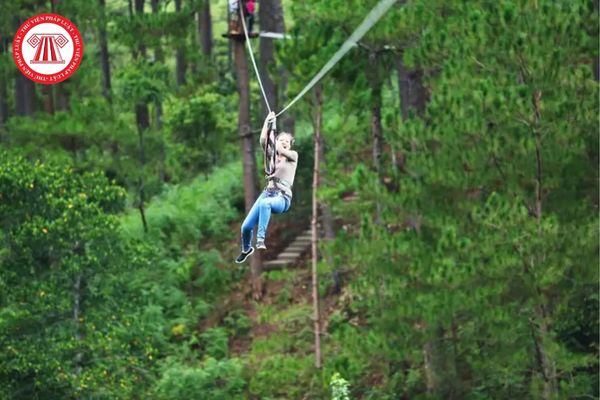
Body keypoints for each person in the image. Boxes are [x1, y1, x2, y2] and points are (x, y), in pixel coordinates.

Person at [236, 111, 298, 263]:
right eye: (281, 140)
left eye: (287, 142)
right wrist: (267, 122)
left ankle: (260, 239)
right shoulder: (272, 158)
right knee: (245, 227)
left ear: (290, 145)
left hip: (282, 198)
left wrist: (277, 143)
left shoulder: (292, 156)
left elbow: (282, 151)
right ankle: (246, 249)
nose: (284, 143)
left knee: (265, 204)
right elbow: (263, 140)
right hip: (268, 193)